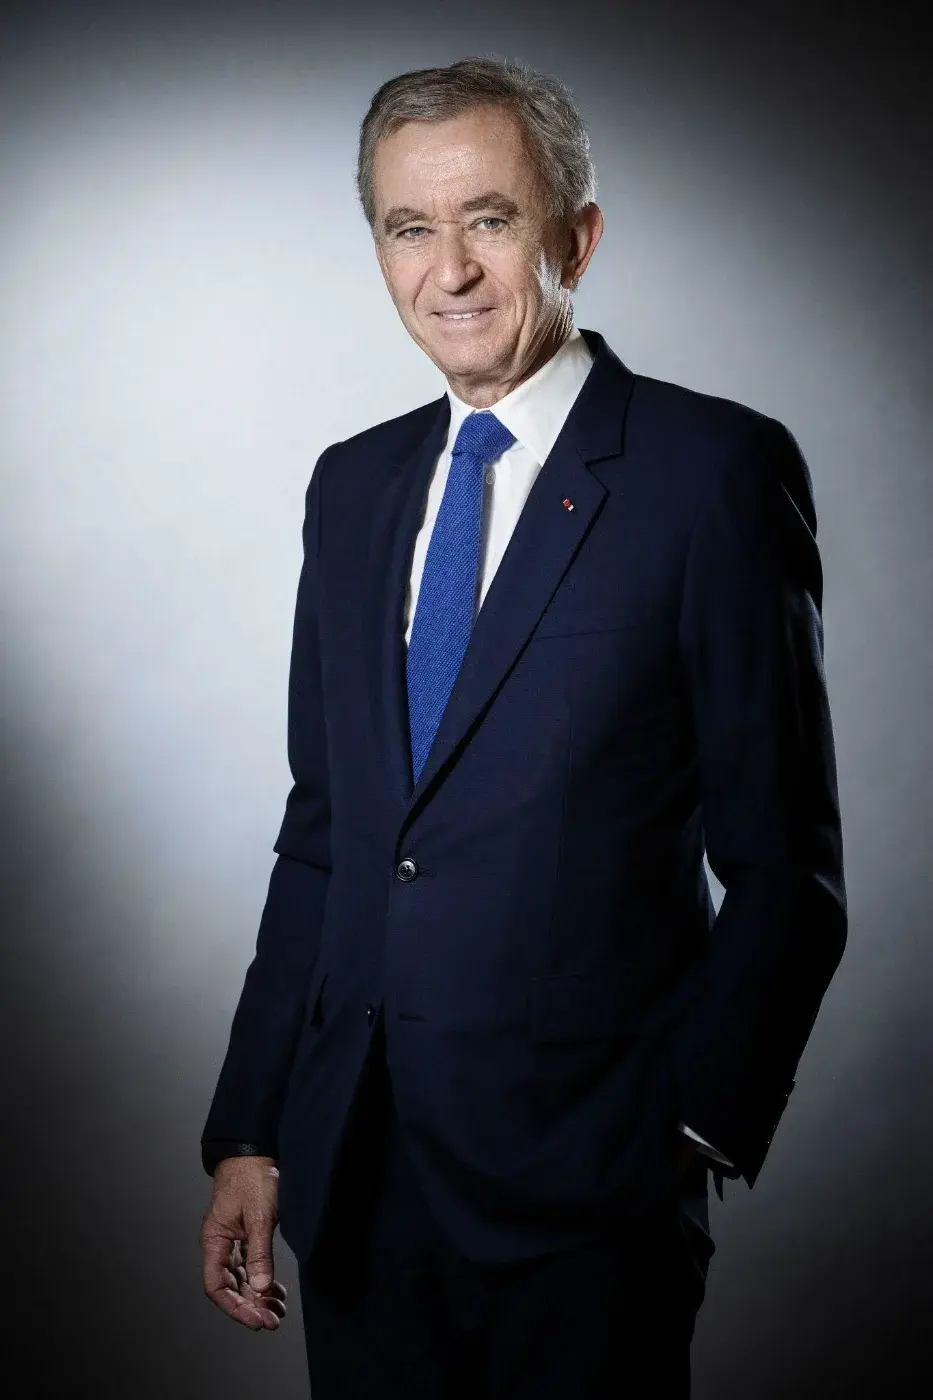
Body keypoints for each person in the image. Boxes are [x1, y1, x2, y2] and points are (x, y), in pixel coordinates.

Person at [199, 56, 847, 1398]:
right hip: (357, 1179)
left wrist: (688, 1131)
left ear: (576, 239)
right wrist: (252, 1129)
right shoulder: (352, 487)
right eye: (409, 228)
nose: (450, 271)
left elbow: (788, 869)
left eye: (490, 219)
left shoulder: (710, 475)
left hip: (589, 1200)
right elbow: (328, 838)